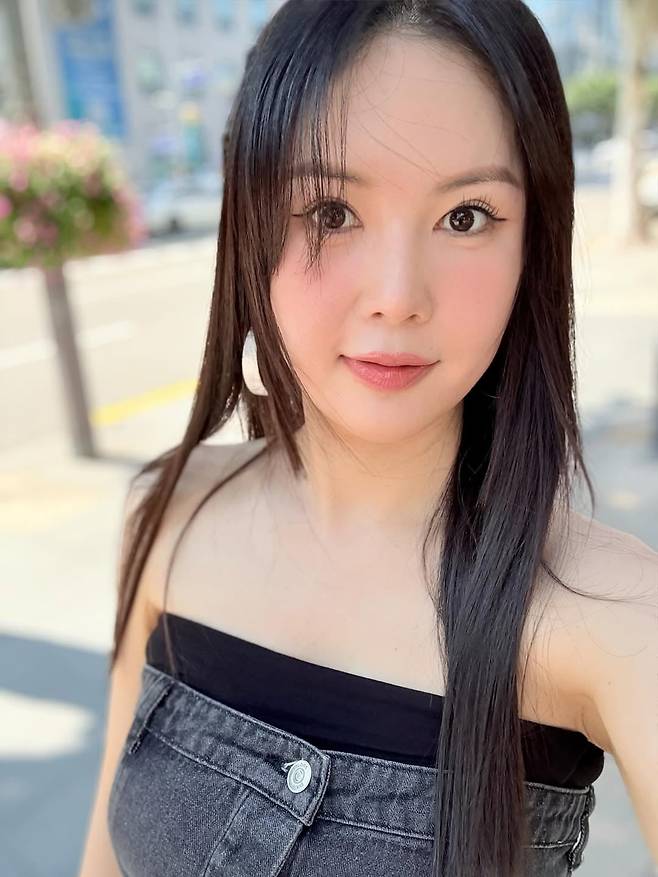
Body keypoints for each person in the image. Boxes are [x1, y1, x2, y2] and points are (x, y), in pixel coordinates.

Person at [77, 1, 658, 875]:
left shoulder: (613, 618)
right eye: (331, 210)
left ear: (532, 246)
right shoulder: (168, 514)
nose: (397, 296)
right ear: (251, 226)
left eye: (467, 216)